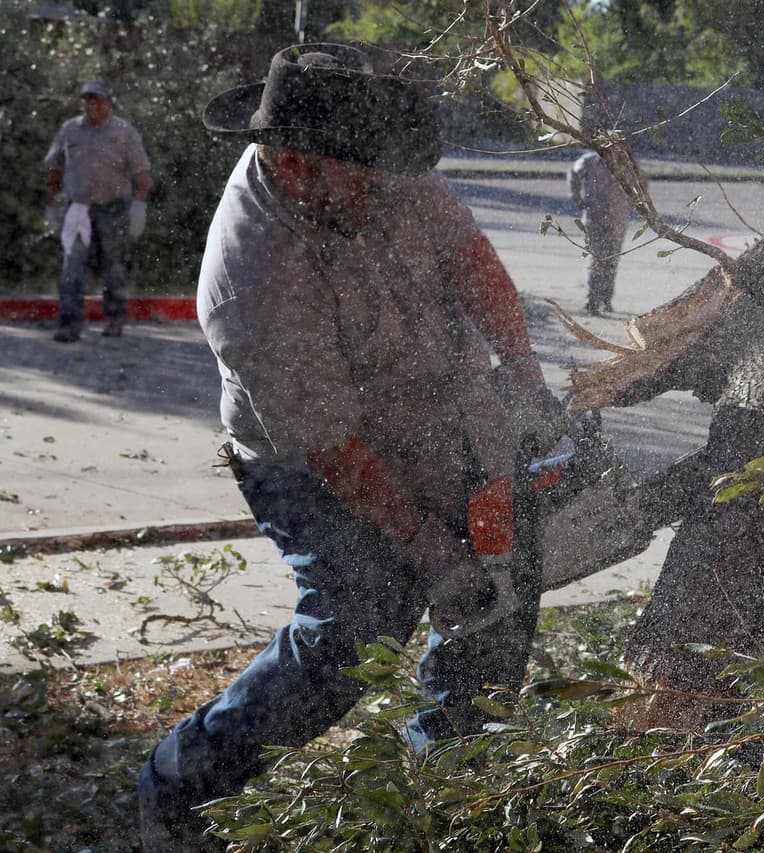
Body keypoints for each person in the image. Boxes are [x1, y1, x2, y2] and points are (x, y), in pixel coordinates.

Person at [136, 44, 563, 850]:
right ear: (294, 163)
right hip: (311, 460)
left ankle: (454, 790)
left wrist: (524, 370)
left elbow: (474, 263)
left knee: (502, 576)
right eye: (361, 176)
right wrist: (425, 545)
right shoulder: (251, 276)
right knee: (356, 625)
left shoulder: (379, 158)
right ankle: (179, 786)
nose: (381, 187)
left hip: (440, 409)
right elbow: (335, 446)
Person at [43, 79, 151, 342]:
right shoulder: (70, 130)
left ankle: (114, 319)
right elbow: (55, 168)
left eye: (97, 99)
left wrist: (139, 205)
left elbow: (142, 172)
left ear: (108, 103)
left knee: (112, 266)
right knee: (72, 267)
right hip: (78, 210)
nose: (91, 104)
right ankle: (69, 325)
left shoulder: (124, 131)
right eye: (87, 99)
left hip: (112, 209)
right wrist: (52, 202)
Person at [568, 149, 631, 315]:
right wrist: (576, 196)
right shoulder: (589, 161)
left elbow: (640, 184)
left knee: (612, 260)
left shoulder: (626, 163)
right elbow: (573, 173)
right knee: (596, 258)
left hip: (617, 220)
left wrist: (632, 204)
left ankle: (606, 299)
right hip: (594, 218)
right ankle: (592, 300)